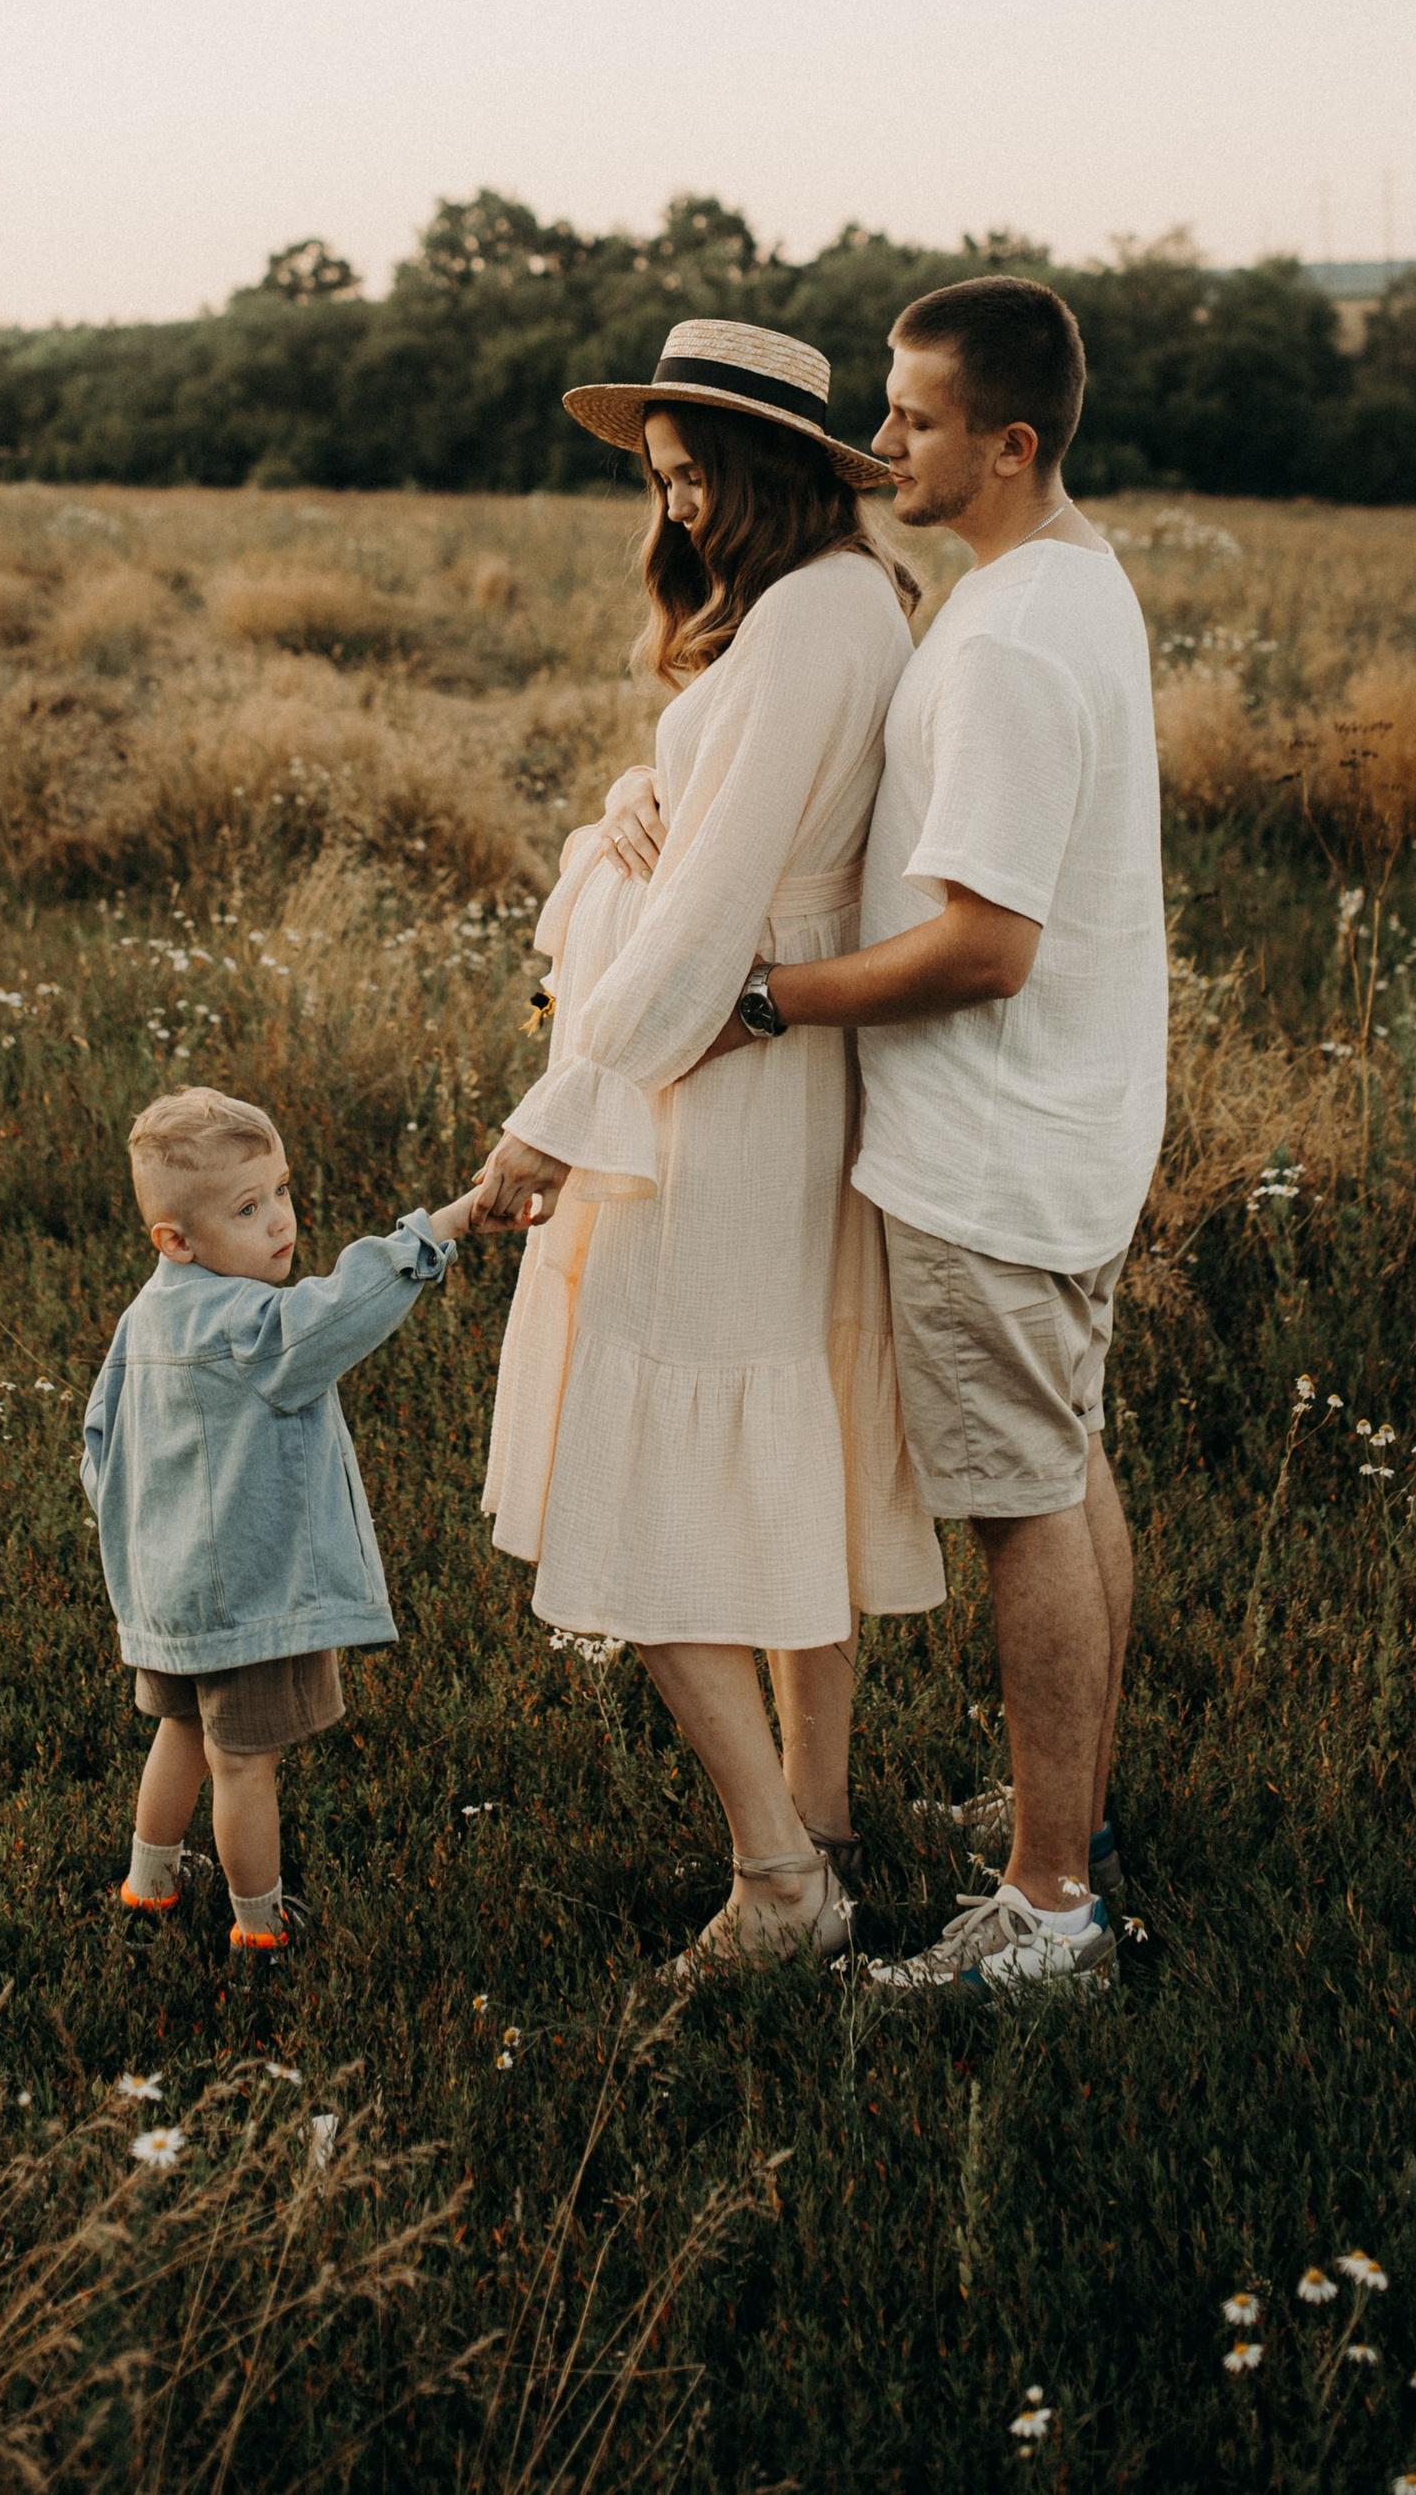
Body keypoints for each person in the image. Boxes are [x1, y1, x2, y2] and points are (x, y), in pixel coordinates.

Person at [680, 275, 1166, 1999]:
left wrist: (768, 1001)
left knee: (1026, 1506)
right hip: (1064, 1130)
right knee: (1068, 1468)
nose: (881, 439)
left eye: (916, 417)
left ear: (1010, 443)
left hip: (992, 1146)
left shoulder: (1019, 639)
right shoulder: (1056, 584)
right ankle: (1074, 1830)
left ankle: (1046, 1918)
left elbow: (985, 946)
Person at [474, 317, 945, 1983]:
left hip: (718, 1085)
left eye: (691, 482)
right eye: (659, 486)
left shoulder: (818, 620)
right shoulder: (839, 606)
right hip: (776, 1071)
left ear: (766, 476)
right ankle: (815, 1812)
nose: (671, 517)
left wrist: (556, 1119)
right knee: (781, 1451)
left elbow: (708, 921)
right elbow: (739, 819)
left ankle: (781, 1880)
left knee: (657, 1478)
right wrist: (626, 801)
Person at [81, 1084, 478, 1961]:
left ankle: (147, 1885)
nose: (280, 1223)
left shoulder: (143, 1318)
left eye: (283, 1192)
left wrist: (147, 1536)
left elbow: (98, 1441)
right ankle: (259, 1925)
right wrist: (435, 1229)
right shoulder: (251, 1325)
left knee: (181, 1729)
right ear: (175, 1239)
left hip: (170, 1597)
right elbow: (336, 1312)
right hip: (249, 1601)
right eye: (248, 1207)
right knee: (243, 1764)